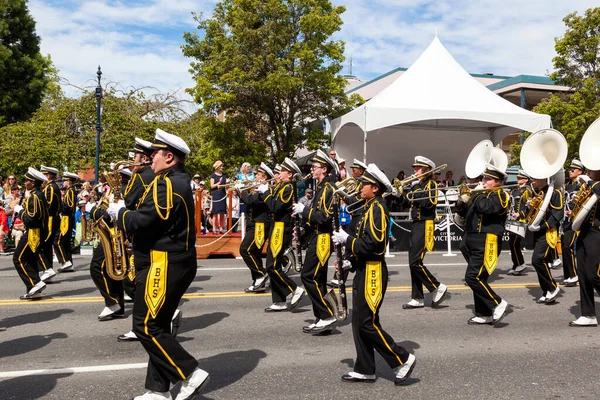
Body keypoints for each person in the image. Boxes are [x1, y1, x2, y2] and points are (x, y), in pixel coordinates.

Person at [108, 128, 209, 400]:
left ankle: (189, 372)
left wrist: (120, 213)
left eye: (155, 153)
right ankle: (157, 391)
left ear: (169, 157)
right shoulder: (171, 180)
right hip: (168, 261)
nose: (150, 158)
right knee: (159, 326)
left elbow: (143, 222)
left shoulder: (167, 184)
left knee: (145, 326)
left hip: (165, 263)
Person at [333, 163, 417, 385]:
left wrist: (347, 240)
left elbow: (375, 245)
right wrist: (350, 261)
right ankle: (365, 368)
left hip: (373, 271)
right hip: (364, 267)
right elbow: (363, 242)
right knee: (359, 321)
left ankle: (402, 358)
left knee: (366, 323)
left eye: (365, 184)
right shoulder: (370, 207)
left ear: (376, 188)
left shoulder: (378, 209)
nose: (360, 187)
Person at [118, 137, 162, 343]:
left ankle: (146, 323)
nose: (132, 161)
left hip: (140, 232)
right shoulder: (156, 176)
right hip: (151, 233)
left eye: (134, 156)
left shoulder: (139, 177)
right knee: (139, 281)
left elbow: (128, 201)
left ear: (142, 157)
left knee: (132, 280)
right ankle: (151, 321)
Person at [455, 165, 509, 325]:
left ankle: (497, 303)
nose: (483, 181)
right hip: (471, 239)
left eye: (487, 179)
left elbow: (486, 208)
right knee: (480, 278)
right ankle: (483, 313)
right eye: (483, 178)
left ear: (497, 182)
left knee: (472, 277)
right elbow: (462, 212)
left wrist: (477, 192)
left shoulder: (501, 195)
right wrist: (461, 199)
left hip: (486, 240)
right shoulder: (480, 195)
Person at [292, 150, 337, 333]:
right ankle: (321, 319)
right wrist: (303, 229)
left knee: (308, 276)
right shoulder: (320, 187)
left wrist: (304, 211)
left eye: (315, 166)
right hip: (317, 237)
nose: (312, 169)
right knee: (318, 280)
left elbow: (324, 217)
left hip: (323, 239)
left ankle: (326, 315)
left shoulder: (329, 188)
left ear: (324, 169)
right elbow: (316, 218)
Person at [258, 157, 305, 312]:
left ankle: (294, 289)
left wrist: (265, 193)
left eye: (282, 171)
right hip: (275, 226)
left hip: (280, 228)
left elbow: (275, 207)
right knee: (274, 265)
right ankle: (279, 300)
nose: (279, 174)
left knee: (271, 265)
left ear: (289, 174)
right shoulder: (280, 186)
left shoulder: (288, 188)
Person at [402, 156, 448, 309]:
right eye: (415, 168)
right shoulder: (416, 185)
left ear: (426, 170)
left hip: (425, 224)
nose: (414, 170)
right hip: (416, 223)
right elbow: (406, 202)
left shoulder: (431, 184)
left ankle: (437, 286)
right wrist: (400, 193)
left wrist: (414, 193)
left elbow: (428, 203)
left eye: (418, 168)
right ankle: (417, 297)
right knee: (412, 262)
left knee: (415, 261)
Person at [569, 169, 600, 326]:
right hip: (584, 231)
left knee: (592, 273)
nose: (587, 172)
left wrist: (589, 182)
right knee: (582, 273)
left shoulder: (594, 185)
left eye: (591, 170)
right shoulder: (590, 186)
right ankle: (588, 314)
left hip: (598, 232)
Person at [13, 168, 49, 300]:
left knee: (18, 259)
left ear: (33, 183)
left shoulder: (35, 197)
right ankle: (33, 290)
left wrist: (20, 211)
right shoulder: (38, 195)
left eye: (27, 180)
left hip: (34, 233)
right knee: (30, 260)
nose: (25, 182)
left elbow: (32, 219)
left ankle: (35, 283)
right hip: (38, 232)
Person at [528, 174, 563, 304]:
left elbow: (557, 214)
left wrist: (542, 226)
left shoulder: (555, 193)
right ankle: (546, 291)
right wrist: (529, 207)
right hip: (537, 230)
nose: (533, 180)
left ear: (544, 178)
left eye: (536, 177)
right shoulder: (537, 193)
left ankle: (552, 287)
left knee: (537, 259)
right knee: (539, 261)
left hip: (548, 231)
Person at [238, 163, 273, 293]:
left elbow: (250, 201)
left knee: (245, 250)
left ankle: (260, 274)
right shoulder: (257, 187)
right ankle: (258, 282)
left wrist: (241, 191)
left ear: (264, 177)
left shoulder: (264, 189)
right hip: (253, 223)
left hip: (260, 225)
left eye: (258, 175)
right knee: (255, 252)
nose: (255, 176)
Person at [561, 159, 584, 286]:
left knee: (567, 247)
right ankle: (568, 275)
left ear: (580, 171)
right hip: (566, 221)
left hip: (576, 221)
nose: (570, 172)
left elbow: (584, 203)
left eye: (572, 169)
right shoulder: (568, 185)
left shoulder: (582, 185)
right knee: (565, 248)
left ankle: (574, 275)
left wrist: (574, 212)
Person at [38, 165, 62, 282]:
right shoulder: (52, 187)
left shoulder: (50, 188)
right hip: (53, 218)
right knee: (47, 245)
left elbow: (47, 204)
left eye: (44, 174)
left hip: (51, 219)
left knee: (44, 244)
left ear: (49, 175)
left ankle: (47, 269)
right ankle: (47, 272)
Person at [507, 170, 531, 275]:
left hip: (521, 220)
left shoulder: (527, 191)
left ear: (525, 180)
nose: (518, 180)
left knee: (514, 242)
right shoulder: (514, 190)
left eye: (520, 178)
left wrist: (520, 214)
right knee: (512, 243)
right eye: (517, 178)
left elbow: (529, 207)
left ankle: (520, 263)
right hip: (513, 220)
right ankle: (516, 264)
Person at [55, 172, 79, 272]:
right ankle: (69, 262)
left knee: (58, 240)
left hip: (66, 218)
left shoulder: (70, 191)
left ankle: (66, 261)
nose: (63, 182)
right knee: (65, 242)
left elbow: (68, 207)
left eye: (65, 180)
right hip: (69, 218)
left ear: (69, 181)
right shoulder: (72, 191)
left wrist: (59, 205)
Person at [210, 160, 228, 234]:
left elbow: (225, 186)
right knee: (215, 212)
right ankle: (214, 228)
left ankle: (221, 228)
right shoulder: (213, 175)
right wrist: (219, 183)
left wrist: (228, 183)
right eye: (221, 166)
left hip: (223, 194)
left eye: (222, 166)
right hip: (216, 195)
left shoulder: (224, 176)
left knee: (222, 212)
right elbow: (212, 186)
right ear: (217, 167)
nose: (222, 167)